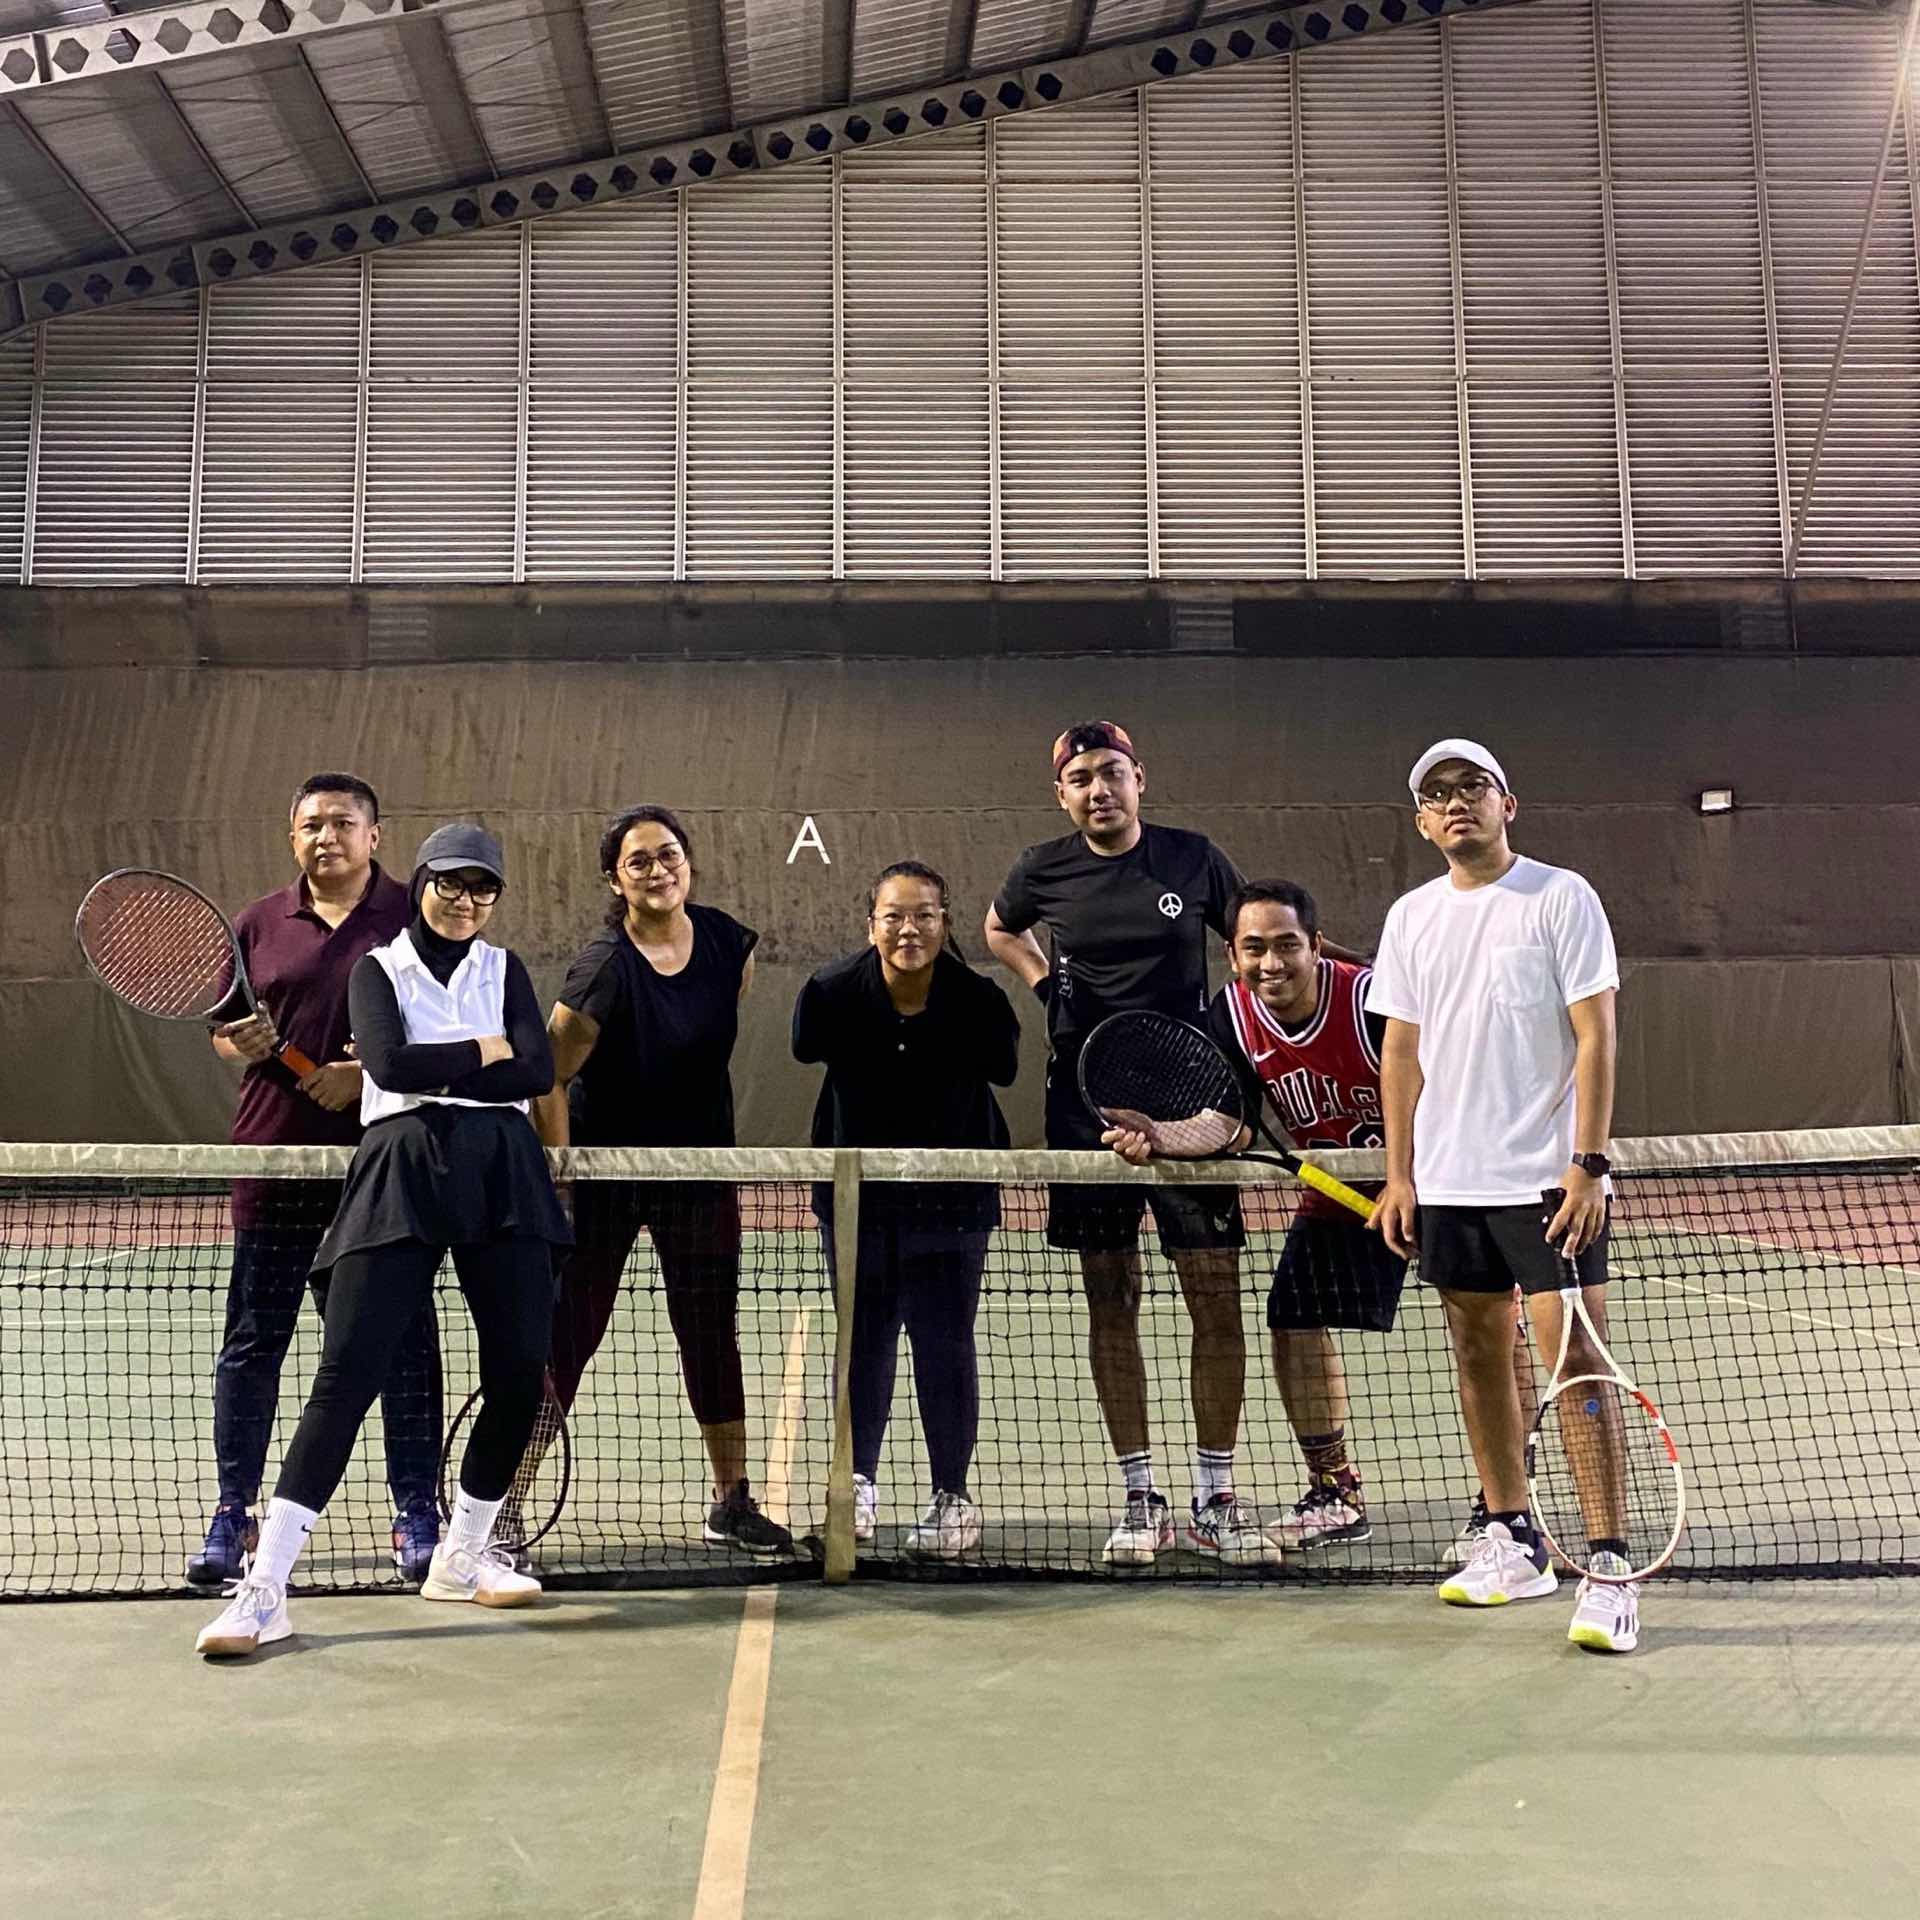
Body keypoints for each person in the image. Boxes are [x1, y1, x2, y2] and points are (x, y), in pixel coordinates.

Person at [195, 824, 571, 1657]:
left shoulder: (505, 969)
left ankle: (463, 1553)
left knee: (519, 1373)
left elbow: (536, 1072)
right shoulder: (378, 968)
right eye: (450, 883)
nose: (465, 900)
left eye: (483, 888)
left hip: (504, 1170)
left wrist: (451, 1059)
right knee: (346, 1376)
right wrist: (486, 1048)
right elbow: (392, 1070)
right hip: (400, 1165)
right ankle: (264, 1592)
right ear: (423, 882)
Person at [1367, 738, 1639, 1653]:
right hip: (1450, 1184)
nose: (1456, 803)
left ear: (1506, 803)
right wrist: (1402, 1174)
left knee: (1577, 1367)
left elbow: (1596, 1034)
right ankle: (1515, 1538)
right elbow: (1402, 1051)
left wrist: (1587, 1163)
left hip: (1547, 1183)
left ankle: (1608, 1567)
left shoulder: (1561, 897)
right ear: (1421, 821)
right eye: (1437, 794)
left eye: (1472, 787)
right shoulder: (1411, 917)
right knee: (1480, 1356)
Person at [985, 721, 1269, 1568]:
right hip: (1086, 1104)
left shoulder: (1193, 858)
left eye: (1111, 772)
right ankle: (1140, 1496)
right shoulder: (1043, 868)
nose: (1098, 789)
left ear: (1139, 778)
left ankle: (1215, 1496)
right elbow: (1000, 929)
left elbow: (1251, 939)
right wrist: (1046, 984)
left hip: (1189, 1098)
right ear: (1062, 795)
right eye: (1081, 778)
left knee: (1213, 1293)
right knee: (1110, 1295)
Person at [190, 772, 443, 1588]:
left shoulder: (415, 917)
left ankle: (417, 1509)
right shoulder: (258, 923)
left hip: (385, 1167)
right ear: (292, 836)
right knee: (254, 1341)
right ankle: (234, 1509)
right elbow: (223, 1031)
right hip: (275, 1162)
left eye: (342, 823)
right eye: (311, 825)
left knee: (403, 1343)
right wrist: (240, 1041)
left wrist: (365, 1076)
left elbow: (447, 1028)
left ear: (375, 835)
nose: (326, 837)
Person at [1102, 880, 1406, 1553]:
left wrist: (1408, 1181)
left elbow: (1442, 1091)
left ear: (1316, 946)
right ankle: (1336, 1492)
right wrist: (1158, 1135)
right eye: (1255, 948)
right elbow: (1232, 1125)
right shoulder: (1234, 1014)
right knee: (1293, 1318)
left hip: (1433, 1175)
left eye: (1287, 945)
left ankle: (1499, 1505)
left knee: (1480, 1323)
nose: (1272, 963)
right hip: (1340, 1188)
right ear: (1233, 955)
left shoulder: (1372, 999)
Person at [532, 806, 791, 1557]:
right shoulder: (604, 967)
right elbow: (549, 1075)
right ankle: (503, 1510)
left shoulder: (728, 944)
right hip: (606, 1175)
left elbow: (701, 1046)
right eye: (638, 861)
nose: (657, 870)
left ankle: (731, 1502)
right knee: (567, 1338)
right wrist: (563, 1179)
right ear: (615, 880)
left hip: (698, 1172)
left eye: (668, 854)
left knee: (712, 1334)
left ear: (688, 862)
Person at [793, 861, 1020, 1559]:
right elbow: (805, 1050)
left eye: (923, 915)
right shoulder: (831, 993)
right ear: (871, 925)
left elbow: (1005, 1068)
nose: (908, 929)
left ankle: (952, 1496)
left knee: (943, 1342)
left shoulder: (978, 1000)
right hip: (857, 1199)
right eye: (893, 916)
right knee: (864, 1338)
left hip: (952, 1200)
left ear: (945, 923)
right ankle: (857, 1485)